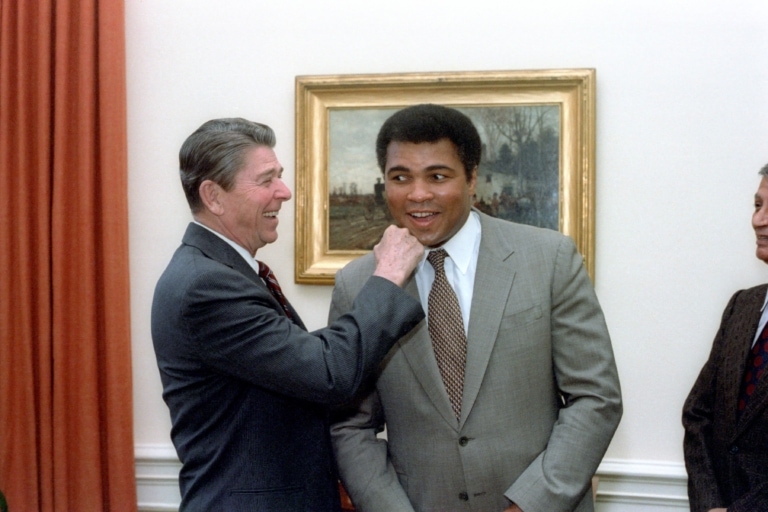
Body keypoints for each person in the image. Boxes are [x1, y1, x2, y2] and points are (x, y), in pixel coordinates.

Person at [329, 104, 623, 512]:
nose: (418, 194)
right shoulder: (359, 284)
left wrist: (530, 505)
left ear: (472, 179)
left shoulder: (548, 258)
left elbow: (595, 398)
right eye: (400, 178)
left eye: (437, 176)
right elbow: (351, 425)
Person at [151, 117, 426, 511]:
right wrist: (388, 275)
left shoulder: (224, 271)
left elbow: (296, 375)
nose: (284, 191)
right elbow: (329, 372)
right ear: (213, 196)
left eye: (279, 176)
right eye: (266, 180)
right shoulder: (206, 286)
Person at [682, 164, 768, 512]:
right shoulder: (742, 306)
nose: (759, 220)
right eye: (757, 205)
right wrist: (709, 504)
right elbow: (698, 414)